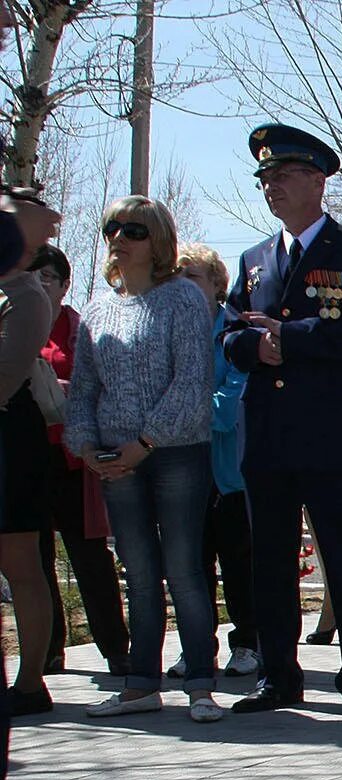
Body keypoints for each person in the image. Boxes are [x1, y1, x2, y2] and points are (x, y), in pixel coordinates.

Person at [222, 124, 342, 719]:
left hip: (331, 433)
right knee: (269, 561)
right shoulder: (252, 261)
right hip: (267, 434)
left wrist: (290, 339)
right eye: (265, 179)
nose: (271, 187)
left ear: (318, 181)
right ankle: (279, 677)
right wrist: (257, 349)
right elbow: (228, 335)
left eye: (283, 176)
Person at [63, 196, 221, 722]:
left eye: (134, 229)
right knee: (138, 572)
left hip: (174, 454)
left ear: (158, 240)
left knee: (183, 568)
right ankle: (140, 684)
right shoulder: (97, 309)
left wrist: (145, 442)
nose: (120, 238)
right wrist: (86, 446)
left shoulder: (181, 300)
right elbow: (83, 388)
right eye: (112, 228)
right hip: (113, 460)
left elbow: (191, 382)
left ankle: (200, 683)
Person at [33, 244, 130, 680]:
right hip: (25, 459)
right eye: (31, 277)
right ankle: (49, 649)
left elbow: (101, 383)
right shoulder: (13, 324)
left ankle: (115, 648)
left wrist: (65, 386)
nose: (38, 285)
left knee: (90, 557)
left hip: (74, 459)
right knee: (35, 561)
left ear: (64, 284)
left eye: (48, 278)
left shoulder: (78, 329)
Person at [175, 242, 260, 679]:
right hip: (183, 469)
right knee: (192, 565)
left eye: (191, 276)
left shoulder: (233, 331)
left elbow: (230, 406)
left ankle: (248, 643)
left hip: (231, 471)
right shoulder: (170, 331)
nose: (182, 285)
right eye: (176, 276)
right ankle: (196, 649)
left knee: (239, 562)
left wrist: (179, 410)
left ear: (215, 284)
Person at [0, 191, 60, 715]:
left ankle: (30, 681)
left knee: (21, 564)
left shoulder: (26, 295)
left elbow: (6, 376)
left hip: (9, 439)